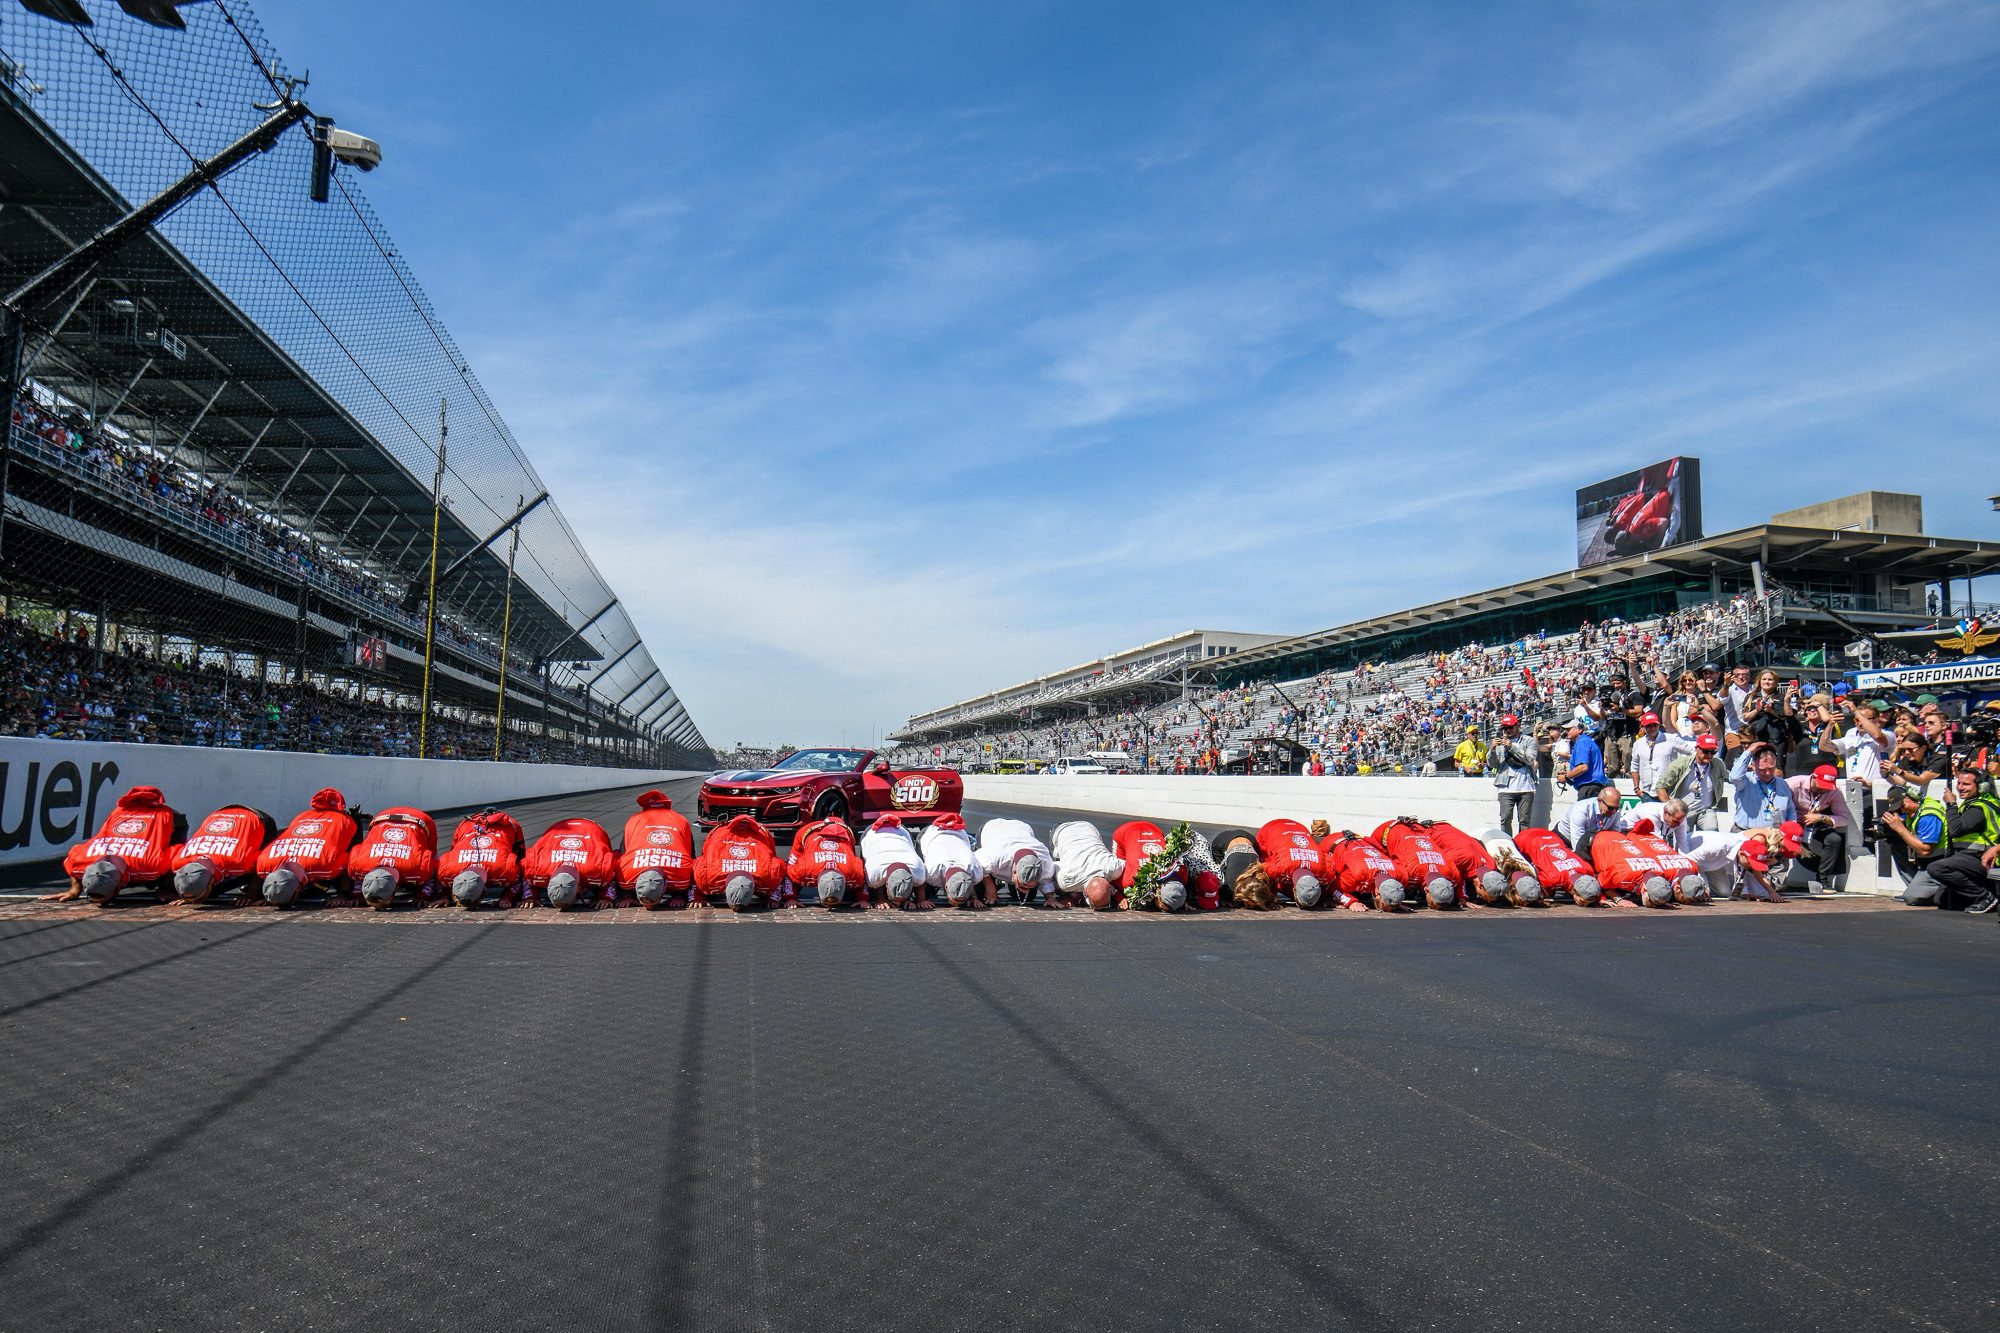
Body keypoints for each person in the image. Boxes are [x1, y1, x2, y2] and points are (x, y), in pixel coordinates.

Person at [45, 784, 184, 905]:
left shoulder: (150, 865)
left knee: (165, 863)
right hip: (124, 814)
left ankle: (165, 886)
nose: (103, 904)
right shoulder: (80, 862)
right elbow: (73, 855)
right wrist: (74, 890)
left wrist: (168, 887)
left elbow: (179, 852)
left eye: (106, 899)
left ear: (118, 889)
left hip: (164, 816)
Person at [1889, 773, 1999, 912]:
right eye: (1958, 783)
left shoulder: (1979, 808)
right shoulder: (1971, 804)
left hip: (1982, 857)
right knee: (1943, 901)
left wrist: (1951, 804)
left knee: (1937, 868)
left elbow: (1956, 830)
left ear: (1982, 787)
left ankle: (1985, 897)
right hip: (1965, 856)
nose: (1960, 788)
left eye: (1966, 784)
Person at [258, 788, 363, 908]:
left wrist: (344, 894)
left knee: (351, 855)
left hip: (346, 825)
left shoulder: (325, 867)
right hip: (312, 855)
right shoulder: (263, 866)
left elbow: (352, 862)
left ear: (298, 889)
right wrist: (270, 895)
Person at [169, 804, 276, 905]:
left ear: (211, 881)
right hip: (217, 815)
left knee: (259, 873)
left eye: (198, 898)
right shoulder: (177, 861)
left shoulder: (237, 862)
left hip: (257, 818)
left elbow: (262, 863)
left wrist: (251, 895)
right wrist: (187, 894)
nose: (194, 903)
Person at [1425, 819, 1540, 905]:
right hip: (1432, 830)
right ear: (1480, 885)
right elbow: (1438, 867)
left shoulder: (1491, 865)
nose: (1487, 900)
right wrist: (1461, 898)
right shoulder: (1460, 859)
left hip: (1456, 834)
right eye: (1487, 897)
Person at [347, 806, 440, 910]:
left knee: (430, 856)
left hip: (420, 821)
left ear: (394, 892)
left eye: (385, 905)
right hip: (381, 818)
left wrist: (424, 896)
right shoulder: (357, 866)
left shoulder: (418, 870)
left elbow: (432, 863)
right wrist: (358, 895)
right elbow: (357, 857)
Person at [1254, 818, 1357, 910]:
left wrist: (1324, 898)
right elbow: (1259, 869)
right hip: (1270, 828)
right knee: (1267, 872)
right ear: (1294, 889)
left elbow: (1327, 861)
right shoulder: (1278, 869)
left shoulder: (1326, 872)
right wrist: (1270, 898)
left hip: (1299, 827)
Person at [617, 790, 695, 909]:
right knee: (685, 871)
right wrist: (681, 895)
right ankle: (678, 893)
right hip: (678, 872)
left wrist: (626, 895)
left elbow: (624, 853)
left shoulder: (633, 819)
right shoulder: (681, 819)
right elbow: (690, 854)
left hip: (634, 870)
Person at [693, 814, 786, 911]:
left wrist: (697, 897)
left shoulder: (709, 877)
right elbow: (782, 868)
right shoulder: (768, 878)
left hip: (724, 831)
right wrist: (773, 897)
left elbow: (697, 865)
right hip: (747, 833)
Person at [1782, 764, 1853, 890]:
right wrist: (1793, 822)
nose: (1825, 790)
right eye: (1822, 785)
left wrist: (1821, 817)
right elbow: (1780, 807)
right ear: (1813, 777)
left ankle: (1823, 878)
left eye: (1828, 787)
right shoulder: (1792, 784)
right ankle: (1779, 876)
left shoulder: (1834, 792)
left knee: (1834, 839)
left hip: (1816, 823)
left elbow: (1844, 818)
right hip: (1791, 821)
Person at [523, 818, 620, 910]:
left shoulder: (596, 868)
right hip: (557, 830)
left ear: (578, 888)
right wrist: (531, 895)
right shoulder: (536, 867)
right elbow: (523, 871)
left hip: (591, 829)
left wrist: (605, 896)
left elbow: (614, 869)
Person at [439, 809, 526, 908]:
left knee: (519, 859)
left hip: (507, 824)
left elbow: (521, 874)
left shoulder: (504, 871)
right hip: (468, 824)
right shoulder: (446, 872)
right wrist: (444, 896)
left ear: (484, 890)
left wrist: (508, 896)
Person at [1373, 818, 1460, 909]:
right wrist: (1395, 902)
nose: (1439, 907)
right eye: (1436, 904)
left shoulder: (1452, 873)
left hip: (1418, 827)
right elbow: (1380, 873)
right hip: (1387, 830)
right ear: (1427, 890)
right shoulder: (1408, 872)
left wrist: (1462, 898)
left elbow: (1460, 881)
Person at [788, 815, 866, 909]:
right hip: (809, 831)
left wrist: (862, 898)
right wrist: (791, 897)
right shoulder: (805, 869)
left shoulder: (854, 871)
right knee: (793, 868)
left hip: (842, 831)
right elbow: (787, 872)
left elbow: (865, 878)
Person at [1512, 827, 1604, 905]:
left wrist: (1601, 898)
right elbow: (1524, 880)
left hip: (1552, 836)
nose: (1585, 904)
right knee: (1543, 892)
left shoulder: (1587, 869)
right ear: (1576, 892)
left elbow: (1591, 884)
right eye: (1582, 902)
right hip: (1526, 838)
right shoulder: (1552, 879)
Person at [974, 818, 1055, 906]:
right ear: (1014, 872)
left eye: (1030, 886)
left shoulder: (1046, 864)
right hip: (992, 828)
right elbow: (975, 862)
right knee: (980, 893)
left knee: (1028, 897)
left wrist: (1050, 898)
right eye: (1023, 885)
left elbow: (1046, 881)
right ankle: (996, 882)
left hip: (1021, 827)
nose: (1026, 889)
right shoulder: (993, 857)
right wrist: (989, 886)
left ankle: (1005, 882)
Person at [1319, 828, 1405, 910]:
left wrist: (1397, 901)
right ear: (1377, 892)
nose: (1391, 909)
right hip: (1330, 843)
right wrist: (1351, 902)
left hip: (1358, 842)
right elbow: (1335, 888)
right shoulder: (1357, 874)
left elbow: (1394, 890)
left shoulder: (1401, 874)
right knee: (1326, 877)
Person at [860, 813, 929, 909]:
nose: (898, 904)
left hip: (901, 832)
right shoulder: (874, 872)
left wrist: (919, 900)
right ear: (886, 884)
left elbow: (919, 884)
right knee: (863, 867)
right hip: (872, 833)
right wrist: (881, 899)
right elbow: (874, 882)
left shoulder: (918, 870)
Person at [920, 813, 989, 908]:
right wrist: (921, 900)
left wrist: (973, 898)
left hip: (959, 832)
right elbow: (920, 880)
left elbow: (970, 880)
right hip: (931, 833)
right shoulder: (932, 869)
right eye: (955, 901)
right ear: (946, 887)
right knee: (927, 889)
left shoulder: (974, 867)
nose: (956, 905)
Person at [1053, 819, 1125, 910]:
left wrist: (1119, 895)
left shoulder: (1113, 867)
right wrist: (1064, 897)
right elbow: (1051, 869)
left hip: (1088, 827)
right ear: (1085, 893)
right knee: (1061, 888)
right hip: (1062, 831)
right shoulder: (1066, 880)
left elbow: (1127, 865)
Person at [1488, 714, 1540, 835]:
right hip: (1505, 787)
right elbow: (1492, 764)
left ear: (1518, 726)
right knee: (1505, 819)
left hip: (1526, 787)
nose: (1507, 731)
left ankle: (1523, 846)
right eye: (1505, 728)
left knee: (1524, 821)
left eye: (1510, 727)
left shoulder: (1529, 741)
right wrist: (1492, 749)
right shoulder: (1500, 743)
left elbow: (1529, 759)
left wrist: (1512, 747)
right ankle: (1508, 846)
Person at [1658, 734, 1726, 824]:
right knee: (1683, 836)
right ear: (1697, 748)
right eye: (1706, 751)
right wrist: (1670, 808)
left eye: (1713, 751)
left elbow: (1731, 776)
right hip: (1683, 811)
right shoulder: (1680, 764)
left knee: (1711, 830)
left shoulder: (1718, 764)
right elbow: (1660, 787)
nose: (1709, 755)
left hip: (1706, 810)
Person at [1729, 741, 1796, 831]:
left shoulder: (1782, 784)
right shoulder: (1746, 781)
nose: (1767, 773)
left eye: (1771, 768)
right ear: (1754, 765)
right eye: (1763, 769)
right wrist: (1749, 751)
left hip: (1774, 836)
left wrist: (1790, 828)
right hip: (1747, 833)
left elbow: (1790, 810)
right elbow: (1734, 776)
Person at [1631, 711, 1691, 801]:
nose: (1652, 728)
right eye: (1648, 726)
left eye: (1655, 725)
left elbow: (1692, 751)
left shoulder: (1671, 738)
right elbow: (1634, 766)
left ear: (1659, 725)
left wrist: (1683, 768)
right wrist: (1636, 789)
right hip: (1646, 792)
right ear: (1642, 727)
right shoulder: (1638, 744)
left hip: (1667, 791)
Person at [1556, 785, 1627, 854]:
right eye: (1610, 808)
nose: (1614, 811)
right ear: (1599, 801)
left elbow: (1614, 837)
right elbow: (1578, 845)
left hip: (1589, 840)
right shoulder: (1581, 810)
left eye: (1617, 808)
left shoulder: (1616, 812)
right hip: (1564, 839)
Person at [1562, 717, 1607, 798]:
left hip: (1588, 787)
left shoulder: (1582, 743)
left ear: (1579, 730)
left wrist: (1566, 777)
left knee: (1584, 810)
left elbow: (1583, 767)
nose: (1566, 732)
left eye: (1569, 729)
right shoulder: (1586, 741)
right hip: (1593, 786)